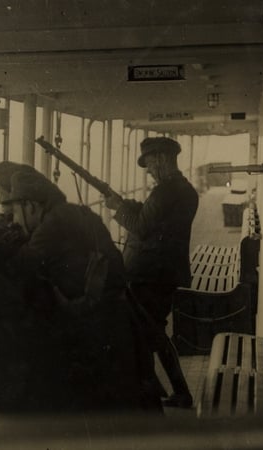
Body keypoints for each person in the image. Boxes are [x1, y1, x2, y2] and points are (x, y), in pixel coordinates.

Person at [0, 169, 160, 413]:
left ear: (30, 206)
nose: (15, 221)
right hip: (121, 322)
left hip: (97, 330)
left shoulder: (50, 226)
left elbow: (20, 267)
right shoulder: (81, 213)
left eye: (16, 213)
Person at [104, 136, 199, 408]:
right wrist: (125, 204)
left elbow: (142, 227)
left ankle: (155, 392)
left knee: (148, 332)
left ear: (161, 158)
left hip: (149, 275)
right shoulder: (183, 189)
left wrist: (117, 208)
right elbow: (153, 218)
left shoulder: (165, 191)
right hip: (164, 273)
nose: (147, 169)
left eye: (149, 163)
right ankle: (169, 390)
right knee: (152, 331)